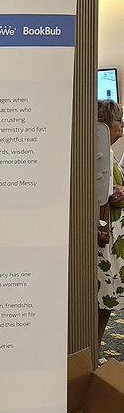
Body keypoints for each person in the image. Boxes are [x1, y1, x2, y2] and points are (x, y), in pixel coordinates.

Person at [97, 100, 124, 347]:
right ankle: (92, 353)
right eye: (118, 120)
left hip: (114, 242)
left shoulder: (111, 154)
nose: (122, 125)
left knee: (108, 298)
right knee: (104, 299)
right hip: (106, 240)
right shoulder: (100, 155)